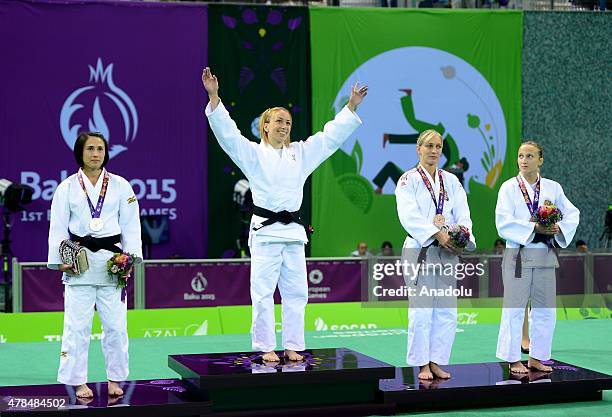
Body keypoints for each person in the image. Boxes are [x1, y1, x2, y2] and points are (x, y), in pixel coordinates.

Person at [202, 67, 367, 362]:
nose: (284, 126)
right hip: (265, 232)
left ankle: (293, 344)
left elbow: (329, 138)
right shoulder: (252, 154)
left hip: (293, 233)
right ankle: (265, 346)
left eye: (288, 122)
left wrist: (351, 106)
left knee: (297, 293)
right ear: (265, 126)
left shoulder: (301, 154)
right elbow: (228, 136)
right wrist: (214, 97)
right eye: (278, 121)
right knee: (263, 293)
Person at [48, 132, 142, 398]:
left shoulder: (121, 185)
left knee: (115, 326)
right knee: (76, 327)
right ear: (80, 152)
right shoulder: (66, 187)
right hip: (79, 264)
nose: (95, 153)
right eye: (90, 148)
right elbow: (57, 227)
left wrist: (130, 257)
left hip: (113, 264)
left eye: (100, 149)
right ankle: (77, 380)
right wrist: (59, 261)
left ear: (106, 153)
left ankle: (115, 378)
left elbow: (131, 225)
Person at [395, 129, 476, 380]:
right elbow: (409, 216)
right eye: (428, 145)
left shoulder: (451, 181)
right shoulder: (408, 180)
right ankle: (421, 364)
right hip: (421, 249)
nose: (433, 150)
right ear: (418, 149)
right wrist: (437, 234)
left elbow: (464, 214)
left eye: (438, 146)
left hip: (447, 253)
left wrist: (460, 237)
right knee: (421, 310)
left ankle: (437, 360)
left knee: (446, 311)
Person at [495, 141, 579, 373]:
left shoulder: (553, 188)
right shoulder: (508, 188)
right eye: (520, 155)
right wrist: (533, 228)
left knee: (545, 309)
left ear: (540, 160)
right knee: (514, 308)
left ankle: (537, 357)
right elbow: (502, 222)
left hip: (544, 255)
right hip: (519, 256)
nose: (524, 160)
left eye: (530, 156)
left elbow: (572, 213)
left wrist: (557, 227)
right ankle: (513, 358)